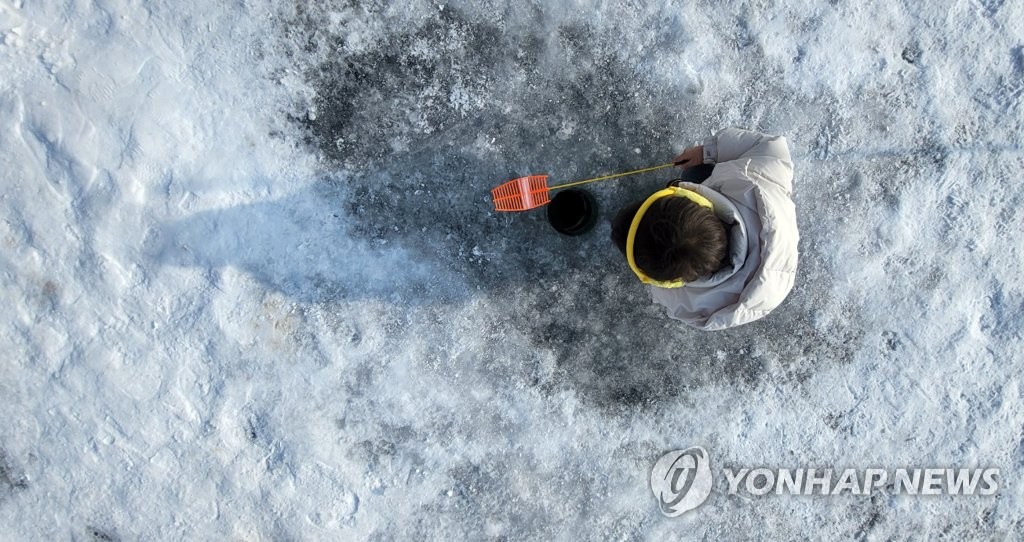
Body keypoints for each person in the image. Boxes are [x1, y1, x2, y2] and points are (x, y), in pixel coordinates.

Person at [610, 127, 798, 330]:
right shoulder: (750, 178)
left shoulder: (691, 305)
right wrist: (707, 152)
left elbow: (671, 300)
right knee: (695, 172)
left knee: (694, 173)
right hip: (774, 231)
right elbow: (773, 148)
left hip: (774, 262)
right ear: (695, 200)